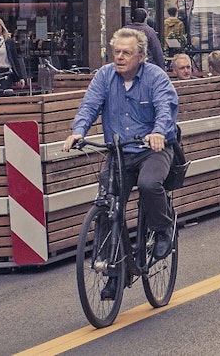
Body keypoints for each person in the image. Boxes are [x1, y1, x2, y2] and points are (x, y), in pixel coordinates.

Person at [63, 28, 181, 272]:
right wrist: (78, 132)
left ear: (140, 56)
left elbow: (165, 107)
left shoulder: (155, 77)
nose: (119, 57)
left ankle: (162, 229)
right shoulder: (105, 76)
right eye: (116, 52)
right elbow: (89, 105)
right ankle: (111, 270)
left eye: (126, 53)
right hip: (119, 152)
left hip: (153, 149)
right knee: (107, 204)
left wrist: (158, 132)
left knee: (149, 185)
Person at [0, 17, 28, 89]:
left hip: (5, 72)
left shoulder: (9, 41)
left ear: (2, 27)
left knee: (3, 93)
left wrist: (21, 77)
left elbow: (15, 59)